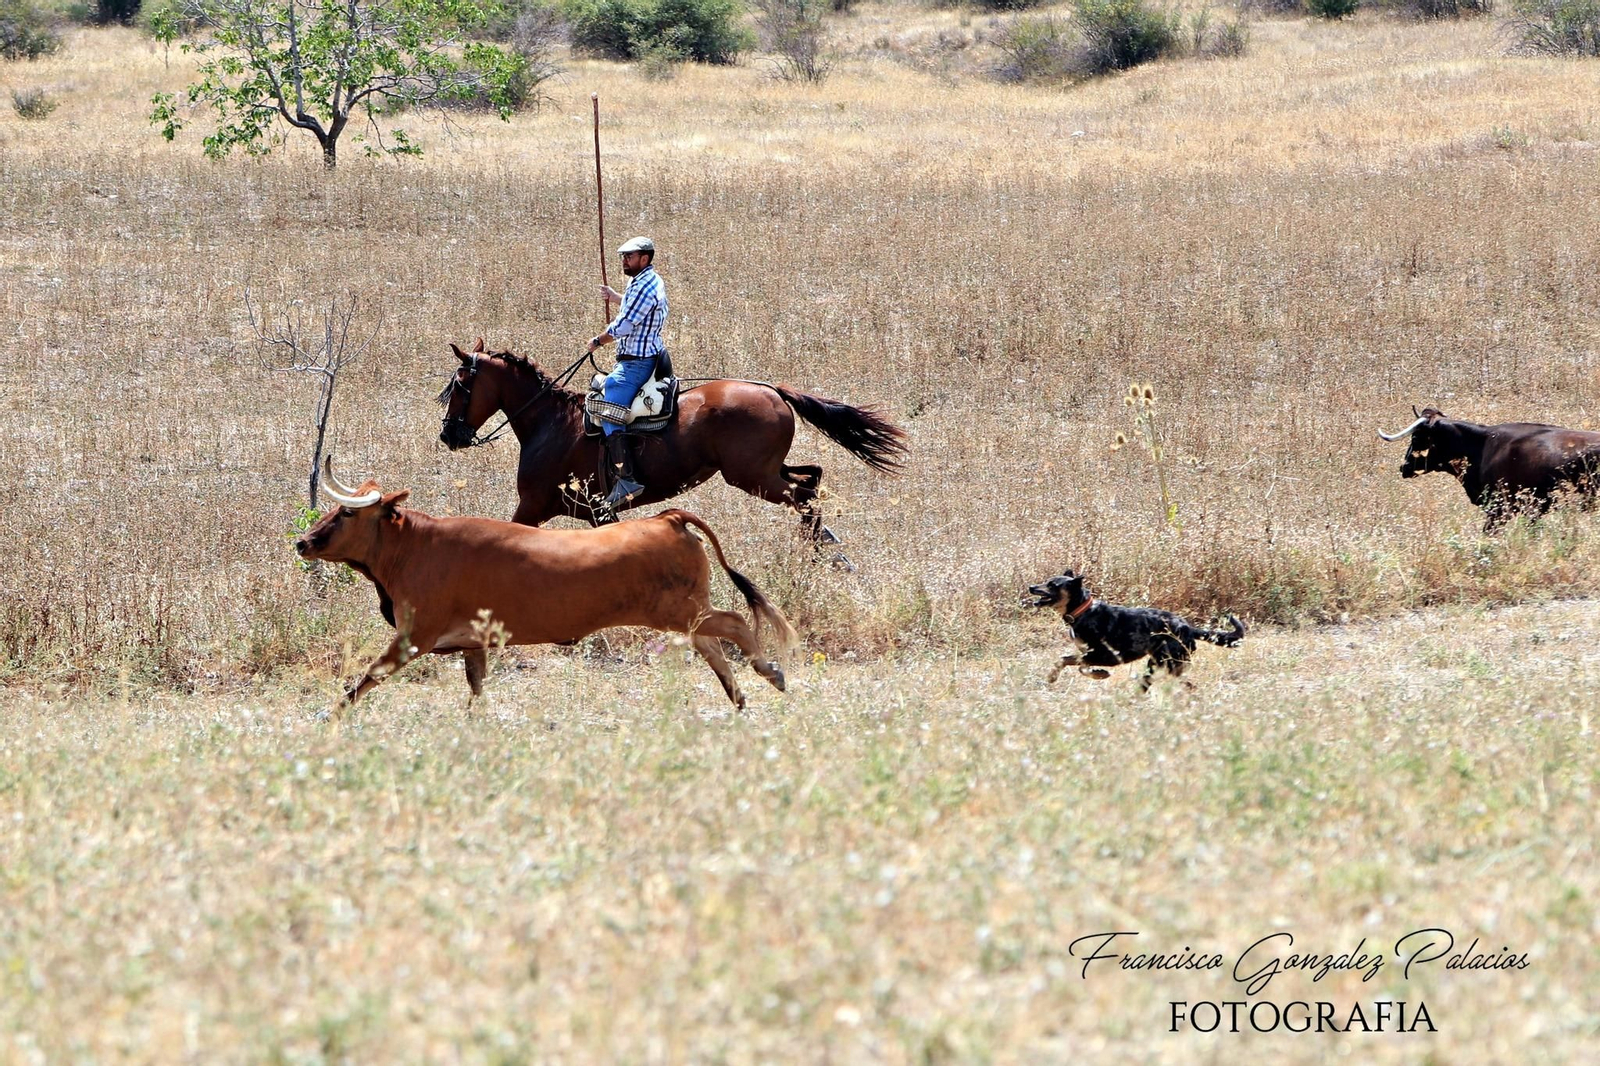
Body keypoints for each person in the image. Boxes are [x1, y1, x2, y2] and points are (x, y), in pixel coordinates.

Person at [587, 235, 667, 512]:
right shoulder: (644, 281)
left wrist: (598, 340)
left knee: (609, 409)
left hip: (636, 363)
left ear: (644, 259)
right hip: (642, 356)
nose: (624, 261)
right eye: (623, 256)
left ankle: (626, 479)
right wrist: (616, 297)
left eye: (629, 256)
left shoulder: (643, 287)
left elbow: (625, 326)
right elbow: (636, 307)